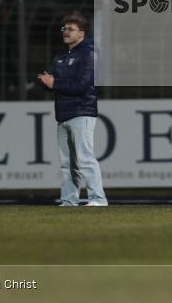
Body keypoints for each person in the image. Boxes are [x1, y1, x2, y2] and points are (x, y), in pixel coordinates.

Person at [37, 13, 107, 207]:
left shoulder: (89, 53)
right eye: (64, 28)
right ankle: (69, 200)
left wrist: (54, 83)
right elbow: (54, 84)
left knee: (85, 159)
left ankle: (98, 199)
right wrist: (46, 82)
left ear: (82, 33)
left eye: (71, 29)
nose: (66, 32)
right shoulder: (60, 56)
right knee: (67, 164)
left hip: (82, 111)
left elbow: (84, 85)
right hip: (63, 114)